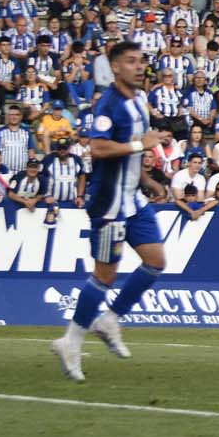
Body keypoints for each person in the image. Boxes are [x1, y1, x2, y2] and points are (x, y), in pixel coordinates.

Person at [50, 41, 170, 382]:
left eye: (140, 61)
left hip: (133, 198)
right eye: (130, 61)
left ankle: (111, 318)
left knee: (156, 261)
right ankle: (70, 341)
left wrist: (148, 179)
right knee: (106, 275)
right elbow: (98, 148)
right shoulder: (109, 103)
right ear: (115, 67)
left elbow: (135, 151)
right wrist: (140, 145)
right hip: (109, 203)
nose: (137, 66)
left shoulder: (141, 101)